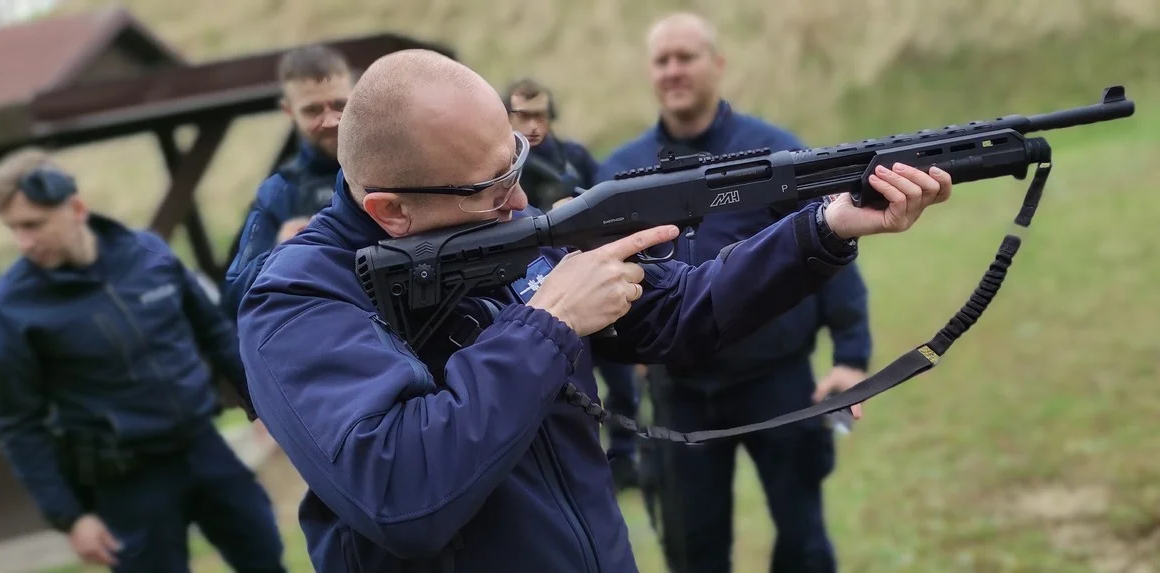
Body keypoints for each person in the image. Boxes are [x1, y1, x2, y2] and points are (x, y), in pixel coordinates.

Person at [235, 48, 950, 573]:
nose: (520, 203)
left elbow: (679, 311)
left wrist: (823, 226)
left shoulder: (488, 231)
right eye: (492, 188)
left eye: (515, 163)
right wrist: (545, 325)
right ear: (390, 210)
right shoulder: (294, 300)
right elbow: (401, 492)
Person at [596, 12, 872, 573]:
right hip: (680, 397)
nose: (674, 70)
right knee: (694, 552)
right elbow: (599, 285)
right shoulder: (620, 175)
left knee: (804, 540)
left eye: (686, 57)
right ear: (650, 73)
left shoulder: (778, 155)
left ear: (717, 65)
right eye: (662, 60)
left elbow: (833, 252)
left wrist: (850, 358)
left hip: (780, 382)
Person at [0, 149, 286, 572]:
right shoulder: (10, 309)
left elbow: (215, 334)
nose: (23, 242)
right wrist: (70, 517)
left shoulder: (148, 254)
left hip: (203, 448)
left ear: (76, 208)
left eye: (33, 225)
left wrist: (266, 407)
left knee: (265, 556)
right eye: (12, 229)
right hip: (124, 482)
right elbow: (17, 425)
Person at [502, 76, 643, 490]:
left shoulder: (573, 157)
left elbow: (606, 200)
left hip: (591, 272)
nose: (532, 126)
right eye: (522, 115)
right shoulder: (505, 164)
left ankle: (625, 458)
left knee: (620, 380)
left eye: (540, 115)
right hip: (536, 286)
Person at [221, 43, 353, 322]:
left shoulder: (394, 162)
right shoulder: (278, 193)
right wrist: (279, 253)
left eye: (340, 105)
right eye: (313, 110)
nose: (330, 120)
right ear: (289, 111)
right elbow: (234, 295)